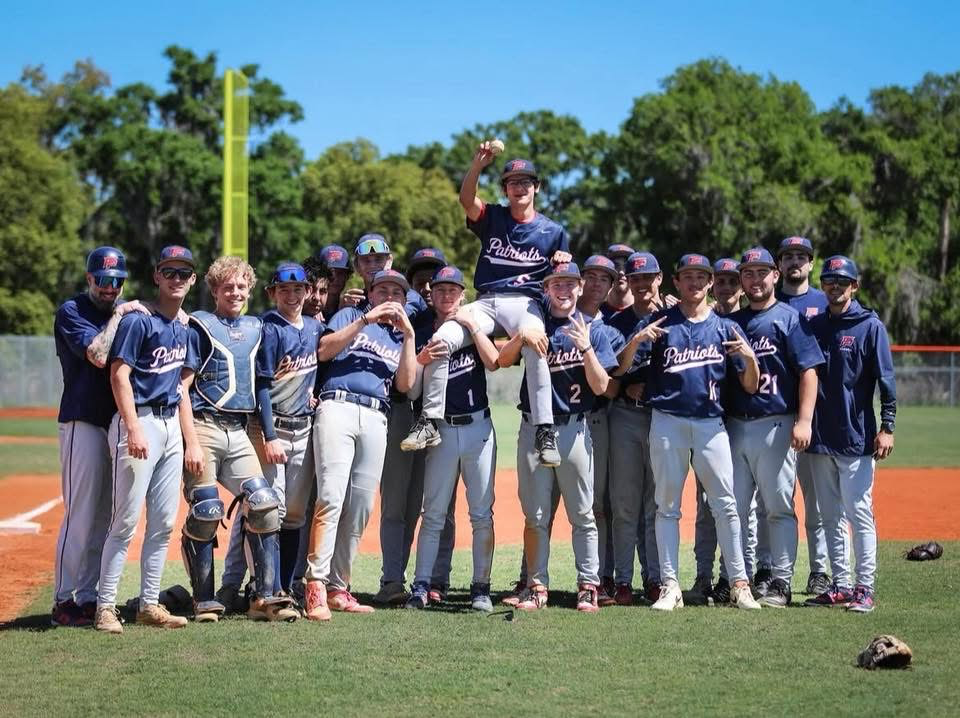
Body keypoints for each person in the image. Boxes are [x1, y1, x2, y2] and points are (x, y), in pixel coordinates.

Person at [402, 148, 571, 467]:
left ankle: (544, 429)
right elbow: (466, 200)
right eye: (512, 182)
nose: (519, 187)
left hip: (525, 303)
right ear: (505, 189)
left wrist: (563, 260)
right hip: (486, 301)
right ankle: (430, 420)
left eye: (525, 181)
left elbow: (563, 279)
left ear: (537, 187)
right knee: (443, 337)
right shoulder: (494, 217)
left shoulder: (554, 232)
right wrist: (478, 164)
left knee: (536, 343)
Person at [624, 253, 762, 611]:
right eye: (688, 276)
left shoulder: (725, 328)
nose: (695, 282)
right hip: (667, 421)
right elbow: (620, 369)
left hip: (710, 424)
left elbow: (750, 384)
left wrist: (751, 359)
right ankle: (670, 586)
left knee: (726, 505)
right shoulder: (660, 323)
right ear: (677, 281)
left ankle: (739, 584)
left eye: (701, 277)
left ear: (710, 282)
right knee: (667, 506)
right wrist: (636, 341)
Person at [179, 256, 298, 623]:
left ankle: (264, 597)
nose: (235, 292)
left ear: (249, 290)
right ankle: (204, 599)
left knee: (264, 504)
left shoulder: (256, 327)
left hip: (240, 429)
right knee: (206, 509)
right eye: (227, 287)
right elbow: (182, 387)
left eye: (241, 286)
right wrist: (191, 442)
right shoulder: (200, 325)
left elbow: (263, 381)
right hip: (204, 425)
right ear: (215, 290)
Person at [499, 262, 617, 613]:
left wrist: (587, 349)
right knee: (535, 515)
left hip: (574, 429)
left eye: (569, 283)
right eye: (556, 284)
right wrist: (521, 336)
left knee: (583, 514)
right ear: (546, 289)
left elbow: (602, 387)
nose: (563, 290)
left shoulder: (593, 329)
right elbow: (502, 360)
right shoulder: (535, 324)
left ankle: (588, 586)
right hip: (533, 428)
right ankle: (537, 586)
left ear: (580, 287)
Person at [302, 269, 418, 620]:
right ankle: (315, 583)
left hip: (377, 415)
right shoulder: (350, 315)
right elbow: (324, 350)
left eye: (396, 292)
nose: (389, 297)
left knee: (362, 505)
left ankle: (338, 586)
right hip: (337, 405)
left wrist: (410, 336)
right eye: (382, 290)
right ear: (371, 294)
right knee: (331, 497)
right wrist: (366, 319)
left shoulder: (400, 336)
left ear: (404, 300)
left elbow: (406, 385)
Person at [93, 245, 195, 634]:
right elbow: (118, 374)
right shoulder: (140, 321)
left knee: (164, 521)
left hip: (170, 427)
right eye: (169, 271)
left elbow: (183, 386)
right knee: (125, 520)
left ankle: (149, 604)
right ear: (156, 276)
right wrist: (133, 426)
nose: (176, 279)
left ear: (192, 280)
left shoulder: (184, 326)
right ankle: (105, 607)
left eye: (183, 273)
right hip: (141, 421)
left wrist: (188, 439)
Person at [726, 248, 825, 607]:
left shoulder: (788, 318)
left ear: (775, 275)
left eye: (761, 272)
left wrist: (804, 420)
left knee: (778, 507)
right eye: (748, 273)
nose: (755, 280)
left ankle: (781, 582)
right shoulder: (732, 322)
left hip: (776, 423)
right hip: (734, 425)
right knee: (734, 509)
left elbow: (809, 371)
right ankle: (739, 580)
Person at [53, 247, 144, 627]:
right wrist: (120, 315)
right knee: (81, 513)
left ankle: (88, 596)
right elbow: (97, 354)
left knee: (105, 515)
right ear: (89, 278)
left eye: (117, 281)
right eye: (104, 280)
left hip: (114, 425)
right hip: (83, 421)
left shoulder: (125, 312)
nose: (110, 288)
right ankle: (63, 599)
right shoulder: (72, 311)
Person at [406, 266, 500, 612]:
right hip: (441, 430)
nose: (446, 296)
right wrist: (419, 360)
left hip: (478, 427)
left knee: (481, 514)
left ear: (463, 295)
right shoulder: (422, 331)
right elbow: (410, 390)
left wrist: (473, 327)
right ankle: (421, 585)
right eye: (440, 290)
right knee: (433, 513)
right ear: (431, 294)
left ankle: (481, 588)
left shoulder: (476, 324)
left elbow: (494, 362)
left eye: (453, 290)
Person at [805, 256, 896, 614]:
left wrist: (888, 426)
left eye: (842, 281)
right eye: (829, 280)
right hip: (819, 437)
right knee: (829, 515)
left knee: (859, 513)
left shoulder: (870, 326)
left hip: (856, 437)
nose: (835, 286)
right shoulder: (814, 326)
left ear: (854, 286)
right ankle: (841, 585)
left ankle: (865, 587)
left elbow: (886, 380)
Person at [606, 251, 667, 606]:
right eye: (636, 278)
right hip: (625, 417)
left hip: (660, 417)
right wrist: (637, 340)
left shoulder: (673, 316)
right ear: (627, 281)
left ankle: (655, 578)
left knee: (655, 504)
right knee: (625, 503)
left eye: (648, 277)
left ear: (659, 279)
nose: (642, 283)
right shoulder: (617, 322)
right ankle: (623, 580)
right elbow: (614, 371)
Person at [775, 235, 833, 596]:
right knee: (774, 500)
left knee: (817, 501)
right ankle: (770, 570)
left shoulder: (825, 303)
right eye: (788, 256)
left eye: (801, 256)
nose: (795, 261)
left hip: (816, 416)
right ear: (779, 265)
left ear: (811, 263)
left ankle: (820, 570)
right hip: (776, 412)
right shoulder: (768, 301)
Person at [601, 244, 636, 319]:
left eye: (626, 266)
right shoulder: (595, 312)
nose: (621, 272)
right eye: (616, 266)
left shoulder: (644, 311)